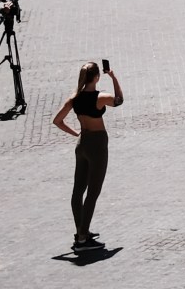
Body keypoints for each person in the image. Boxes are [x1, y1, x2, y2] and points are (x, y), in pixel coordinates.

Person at [52, 60, 124, 250]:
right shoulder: (100, 98)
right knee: (93, 192)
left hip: (82, 144)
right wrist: (114, 76)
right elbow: (119, 100)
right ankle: (82, 239)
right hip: (97, 145)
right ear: (97, 77)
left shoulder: (74, 99)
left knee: (78, 191)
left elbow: (57, 121)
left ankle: (81, 231)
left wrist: (75, 133)